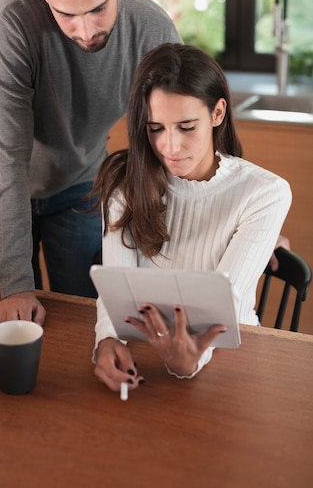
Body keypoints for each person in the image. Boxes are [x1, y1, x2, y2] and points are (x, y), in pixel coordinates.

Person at [0, 0, 182, 325]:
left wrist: (235, 204)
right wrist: (17, 285)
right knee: (19, 310)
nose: (85, 30)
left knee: (78, 309)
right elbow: (7, 161)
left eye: (98, 8)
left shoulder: (153, 31)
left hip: (79, 181)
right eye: (66, 14)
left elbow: (188, 132)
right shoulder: (10, 22)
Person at [90, 43, 292, 392]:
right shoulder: (126, 182)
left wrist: (189, 362)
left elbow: (218, 307)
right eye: (156, 128)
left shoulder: (265, 194)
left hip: (233, 357)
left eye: (186, 127)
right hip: (149, 350)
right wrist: (108, 340)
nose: (169, 147)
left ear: (217, 113)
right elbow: (116, 287)